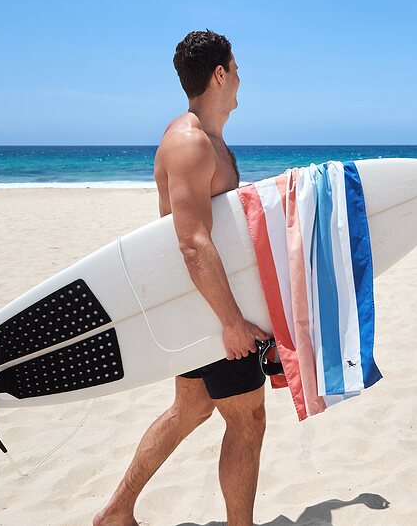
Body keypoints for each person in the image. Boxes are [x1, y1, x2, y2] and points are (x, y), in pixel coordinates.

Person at [94, 30, 270, 526]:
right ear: (219, 74)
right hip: (209, 310)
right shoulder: (190, 143)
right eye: (236, 68)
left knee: (190, 408)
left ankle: (116, 511)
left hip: (196, 304)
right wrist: (232, 323)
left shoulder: (207, 141)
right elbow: (192, 241)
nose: (240, 78)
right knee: (248, 417)